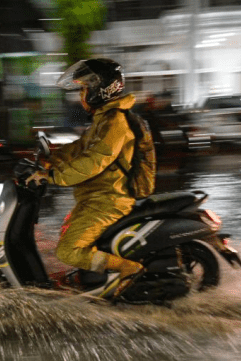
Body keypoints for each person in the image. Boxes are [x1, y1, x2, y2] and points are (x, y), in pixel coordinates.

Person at [27, 58, 146, 297]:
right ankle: (90, 276)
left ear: (98, 90)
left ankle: (127, 268)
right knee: (68, 233)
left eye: (84, 89)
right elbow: (81, 148)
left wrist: (52, 176)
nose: (81, 95)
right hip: (96, 197)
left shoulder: (115, 122)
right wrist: (51, 160)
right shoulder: (104, 118)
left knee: (67, 251)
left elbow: (93, 161)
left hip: (108, 201)